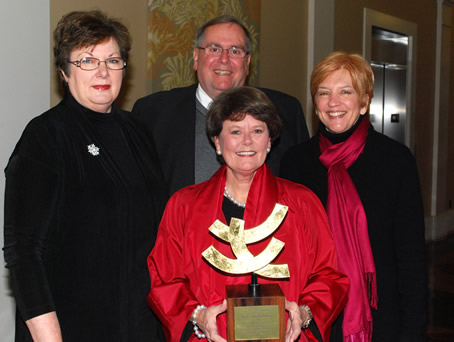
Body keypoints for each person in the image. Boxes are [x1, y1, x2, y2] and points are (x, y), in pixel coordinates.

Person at [3, 10, 167, 342]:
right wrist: (49, 337)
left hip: (138, 325)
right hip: (69, 327)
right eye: (87, 61)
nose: (103, 71)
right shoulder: (44, 137)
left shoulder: (138, 131)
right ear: (64, 71)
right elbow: (23, 252)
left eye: (113, 60)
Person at [147, 86, 349, 342]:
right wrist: (199, 316)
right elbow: (164, 280)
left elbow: (328, 277)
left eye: (257, 130)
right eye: (235, 131)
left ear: (270, 141)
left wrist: (305, 313)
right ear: (217, 142)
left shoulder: (303, 203)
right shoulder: (183, 206)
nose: (247, 141)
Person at [280, 52, 427, 341]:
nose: (333, 103)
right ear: (315, 102)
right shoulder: (295, 163)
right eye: (324, 93)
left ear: (364, 101)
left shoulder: (396, 161)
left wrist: (413, 332)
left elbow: (412, 259)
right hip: (311, 317)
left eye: (345, 92)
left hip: (380, 317)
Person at [132, 15, 309, 195]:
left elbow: (303, 187)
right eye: (214, 49)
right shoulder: (152, 113)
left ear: (247, 63)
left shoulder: (286, 111)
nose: (224, 59)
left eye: (235, 50)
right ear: (196, 57)